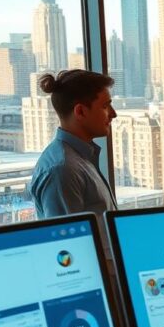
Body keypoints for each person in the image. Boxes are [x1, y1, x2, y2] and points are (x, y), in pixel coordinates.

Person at [29, 69, 118, 221]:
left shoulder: (81, 158)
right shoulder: (62, 170)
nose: (113, 113)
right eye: (105, 106)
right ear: (80, 112)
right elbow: (67, 240)